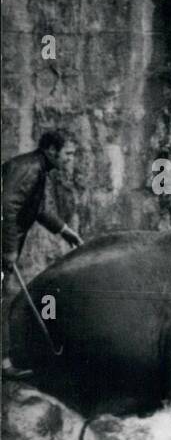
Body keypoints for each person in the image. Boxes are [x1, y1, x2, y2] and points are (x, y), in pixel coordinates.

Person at [2, 130, 82, 362]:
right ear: (51, 151)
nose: (71, 158)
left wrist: (65, 231)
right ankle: (4, 363)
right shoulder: (30, 169)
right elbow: (6, 206)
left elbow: (38, 209)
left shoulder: (37, 169)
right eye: (68, 153)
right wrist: (8, 249)